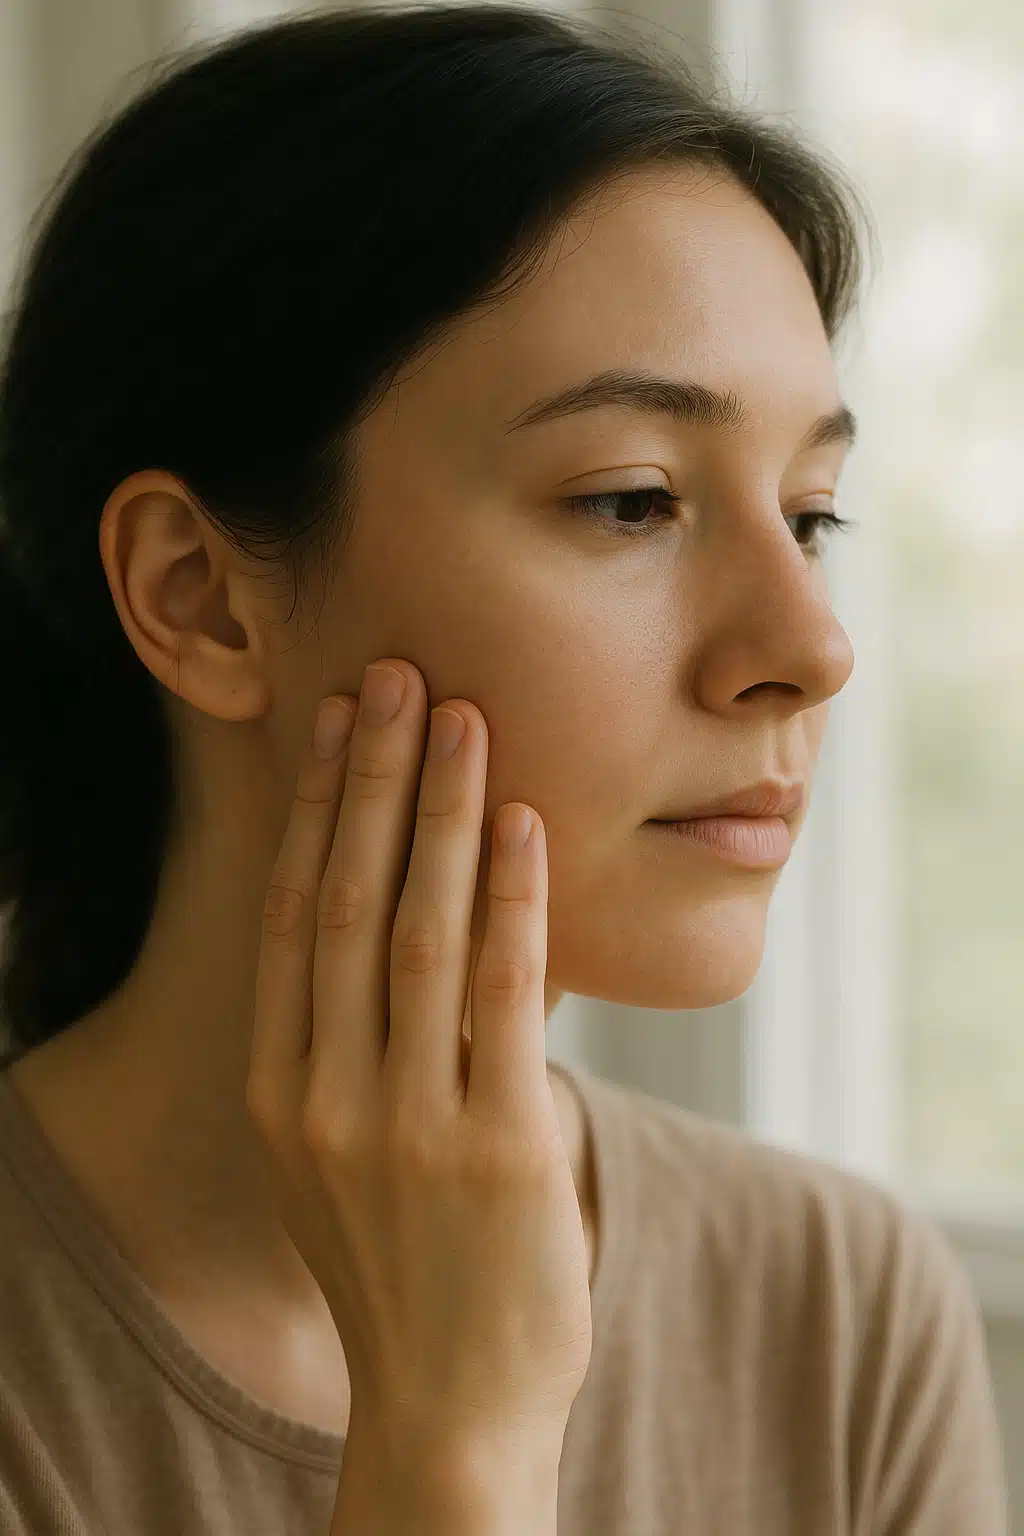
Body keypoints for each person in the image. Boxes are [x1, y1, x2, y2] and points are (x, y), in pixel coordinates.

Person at [0, 5, 1009, 1532]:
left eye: (811, 515)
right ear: (197, 594)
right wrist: (455, 1436)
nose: (810, 646)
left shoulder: (839, 1314)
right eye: (630, 501)